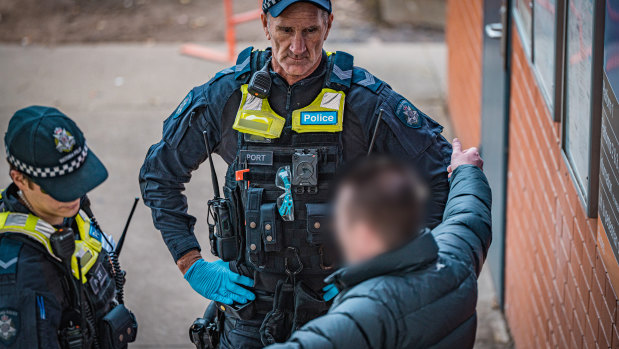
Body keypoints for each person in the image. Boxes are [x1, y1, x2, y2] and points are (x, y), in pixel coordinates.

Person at [139, 0, 451, 347]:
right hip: (247, 311)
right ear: (265, 24)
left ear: (328, 25)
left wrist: (387, 267)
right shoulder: (227, 96)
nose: (297, 47)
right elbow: (158, 175)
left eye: (310, 31)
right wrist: (190, 262)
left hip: (342, 310)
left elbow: (440, 176)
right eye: (286, 30)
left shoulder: (365, 101)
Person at [267, 138, 491, 349]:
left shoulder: (362, 312)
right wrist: (466, 170)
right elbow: (469, 212)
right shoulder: (454, 256)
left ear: (364, 232)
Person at [0, 106, 137, 348]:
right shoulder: (22, 277)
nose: (74, 193)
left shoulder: (65, 213)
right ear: (20, 179)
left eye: (78, 177)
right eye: (60, 186)